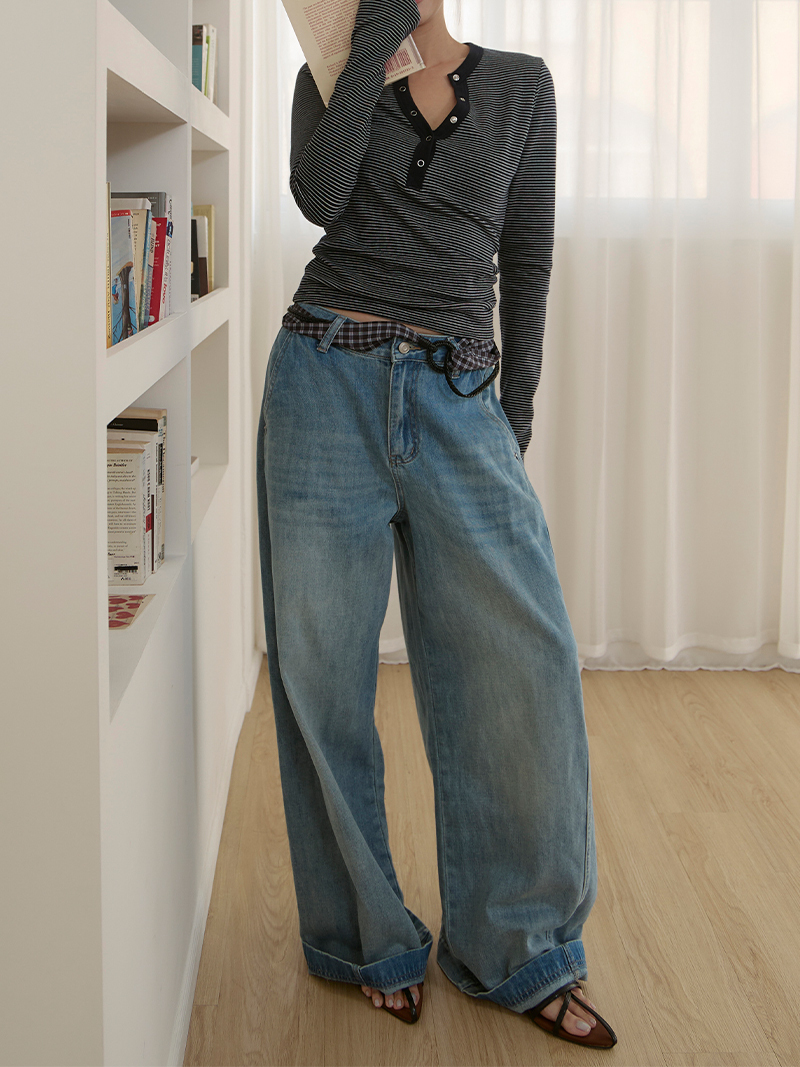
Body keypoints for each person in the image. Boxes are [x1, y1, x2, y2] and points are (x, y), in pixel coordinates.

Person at [256, 0, 618, 1050]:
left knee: (521, 665)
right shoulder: (327, 77)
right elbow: (317, 199)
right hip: (321, 375)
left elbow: (527, 254)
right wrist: (372, 46)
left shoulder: (522, 85)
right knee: (322, 674)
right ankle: (365, 938)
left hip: (461, 392)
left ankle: (520, 945)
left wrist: (515, 411)